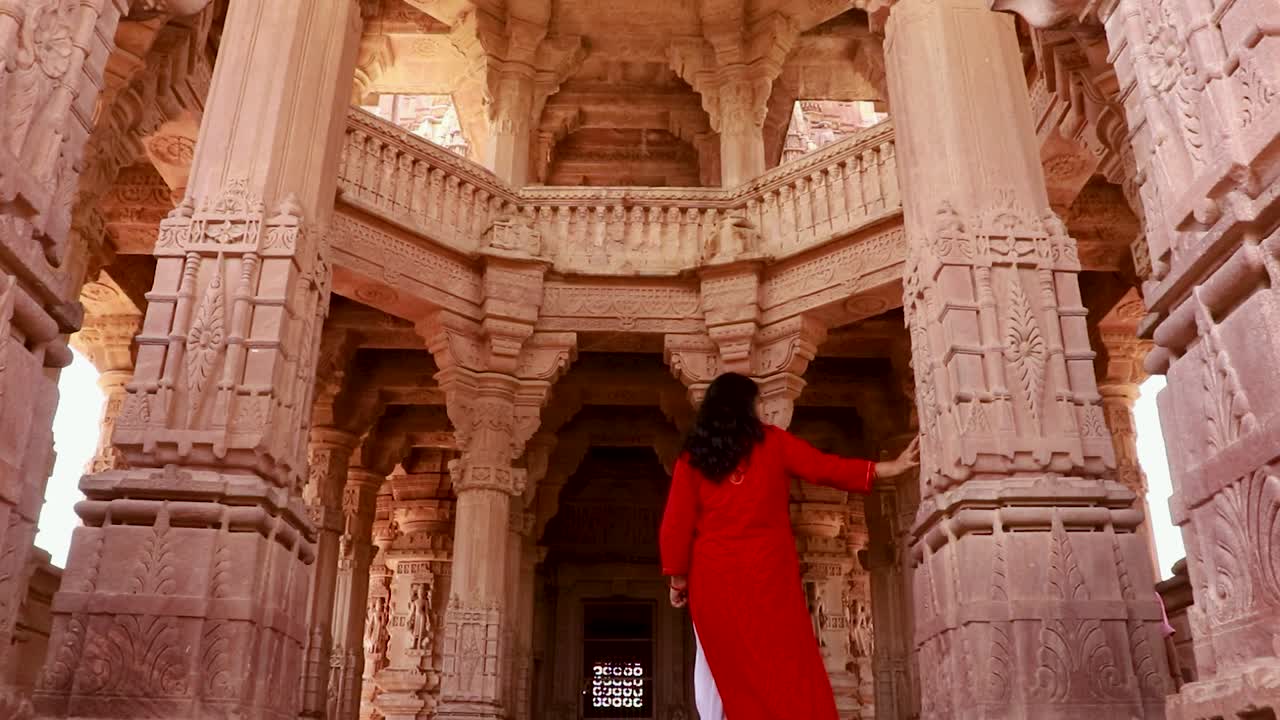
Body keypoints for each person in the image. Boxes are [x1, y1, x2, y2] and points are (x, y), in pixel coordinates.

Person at [659, 372, 920, 720]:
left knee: (726, 673)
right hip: (768, 576)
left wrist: (678, 579)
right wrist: (886, 469)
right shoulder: (772, 443)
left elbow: (676, 523)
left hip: (715, 581)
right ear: (745, 407)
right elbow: (825, 468)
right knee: (786, 665)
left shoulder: (694, 458)